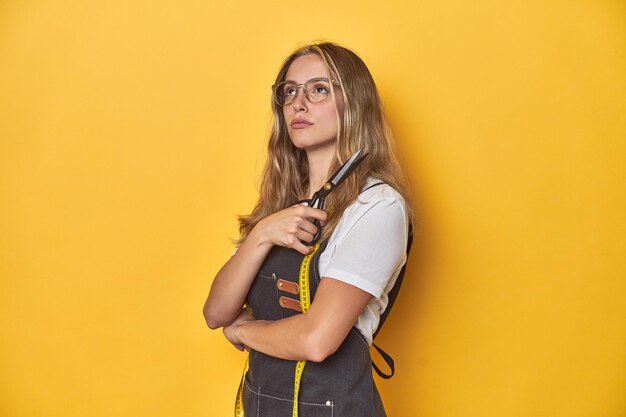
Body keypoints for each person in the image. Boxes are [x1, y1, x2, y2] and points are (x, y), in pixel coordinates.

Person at [203, 41, 412, 417]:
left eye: (319, 89)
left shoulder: (376, 207)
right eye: (289, 91)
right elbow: (216, 312)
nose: (298, 103)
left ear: (354, 103)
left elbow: (317, 340)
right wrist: (263, 233)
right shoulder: (279, 205)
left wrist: (242, 332)